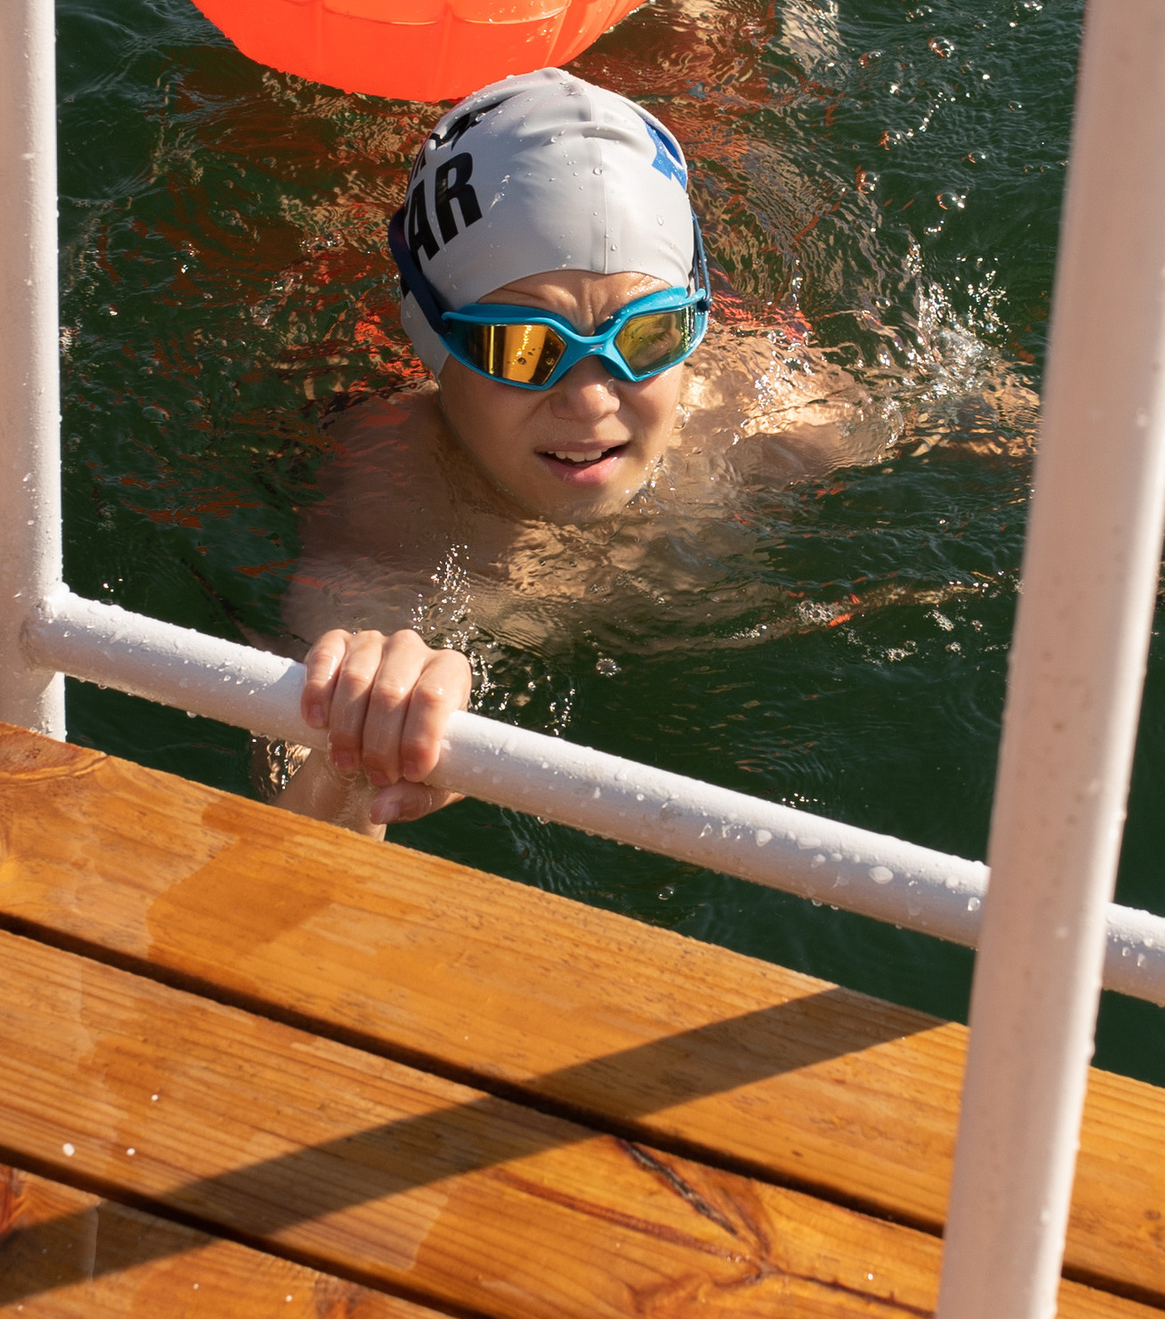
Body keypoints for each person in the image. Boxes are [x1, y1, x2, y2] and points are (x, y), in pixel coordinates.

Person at [270, 66, 902, 836]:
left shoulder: (762, 408)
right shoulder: (391, 514)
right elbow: (284, 819)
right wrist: (360, 750)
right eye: (523, 346)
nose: (593, 398)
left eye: (649, 334)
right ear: (432, 339)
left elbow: (1014, 430)